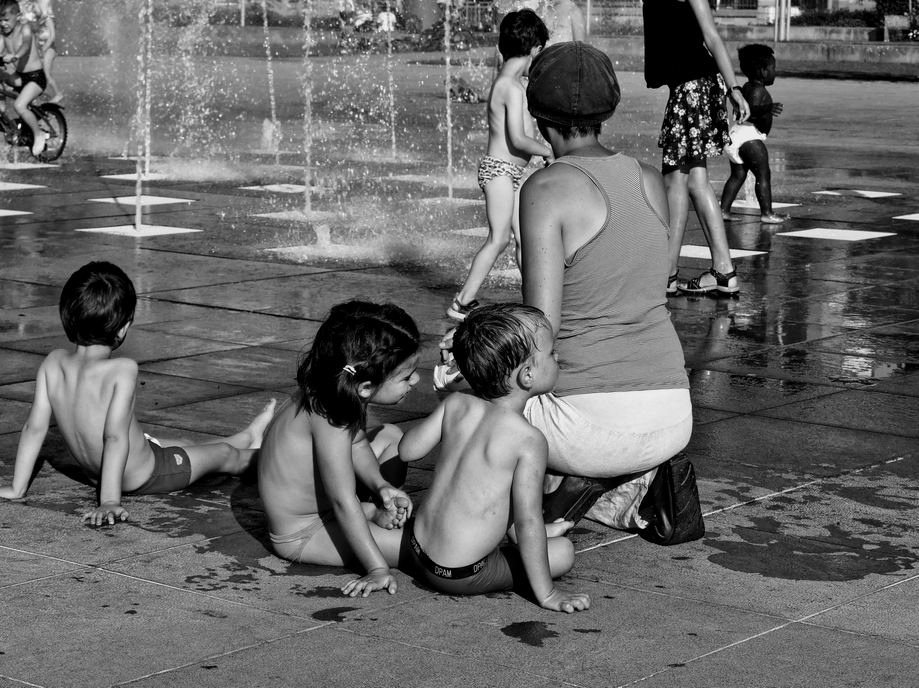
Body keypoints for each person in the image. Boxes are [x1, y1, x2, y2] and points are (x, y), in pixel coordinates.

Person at [519, 41, 693, 532]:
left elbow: (540, 329)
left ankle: (557, 502)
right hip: (673, 414)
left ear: (536, 115)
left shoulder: (546, 188)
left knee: (473, 413)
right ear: (607, 111)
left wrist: (474, 351)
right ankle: (633, 489)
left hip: (591, 425)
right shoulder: (647, 178)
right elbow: (652, 284)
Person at [536, 0, 751, 297]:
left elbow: (712, 36)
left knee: (681, 181)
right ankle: (712, 271)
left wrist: (734, 88)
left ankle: (691, 271)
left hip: (695, 89)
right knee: (688, 181)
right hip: (688, 90)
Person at [0, 261, 276, 526]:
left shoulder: (53, 363)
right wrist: (108, 499)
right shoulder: (122, 369)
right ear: (123, 327)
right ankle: (272, 454)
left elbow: (34, 427)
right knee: (224, 457)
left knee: (185, 445)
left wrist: (17, 487)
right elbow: (114, 438)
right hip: (149, 474)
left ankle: (247, 437)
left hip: (121, 462)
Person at [400, 303, 591, 613]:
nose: (558, 358)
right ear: (528, 374)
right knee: (564, 552)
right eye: (552, 353)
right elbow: (527, 519)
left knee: (493, 492)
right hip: (460, 575)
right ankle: (543, 557)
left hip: (416, 551)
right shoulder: (527, 440)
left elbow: (408, 450)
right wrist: (548, 594)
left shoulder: (457, 402)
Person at [257, 301, 419, 598]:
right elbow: (343, 500)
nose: (416, 381)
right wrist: (376, 568)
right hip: (303, 533)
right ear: (367, 386)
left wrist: (380, 485)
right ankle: (369, 526)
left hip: (326, 510)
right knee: (420, 550)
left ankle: (373, 510)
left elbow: (357, 444)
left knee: (393, 437)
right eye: (406, 377)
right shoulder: (330, 417)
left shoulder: (334, 388)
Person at [446, 10, 553, 324]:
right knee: (499, 238)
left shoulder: (508, 82)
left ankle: (536, 299)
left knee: (524, 239)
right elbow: (519, 140)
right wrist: (549, 151)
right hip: (500, 172)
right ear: (536, 48)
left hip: (510, 173)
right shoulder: (510, 87)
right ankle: (463, 302)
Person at [720, 44, 786, 224]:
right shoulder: (758, 91)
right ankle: (767, 213)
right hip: (749, 137)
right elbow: (750, 110)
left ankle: (723, 211)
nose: (775, 71)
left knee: (738, 175)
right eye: (773, 68)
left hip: (736, 136)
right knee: (764, 175)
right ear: (763, 71)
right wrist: (767, 108)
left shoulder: (747, 86)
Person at [0, 0, 49, 157]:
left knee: (19, 106)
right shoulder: (4, 34)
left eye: (6, 20)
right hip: (20, 77)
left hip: (36, 78)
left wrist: (16, 56)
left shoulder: (25, 28)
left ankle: (38, 134)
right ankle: (0, 108)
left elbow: (26, 44)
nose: (3, 24)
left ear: (18, 16)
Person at [32, 0, 64, 104]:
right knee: (38, 73)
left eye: (34, 7)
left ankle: (58, 94)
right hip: (42, 50)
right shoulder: (40, 20)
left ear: (41, 6)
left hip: (49, 49)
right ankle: (37, 94)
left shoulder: (49, 19)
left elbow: (52, 36)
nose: (33, 10)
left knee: (46, 73)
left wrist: (45, 48)